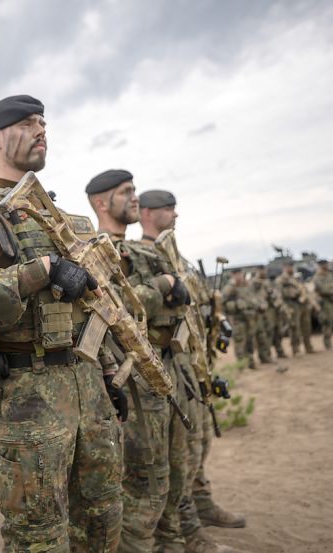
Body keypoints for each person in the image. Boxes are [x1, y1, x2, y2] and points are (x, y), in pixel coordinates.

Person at [0, 95, 123, 552]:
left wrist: (107, 373)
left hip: (89, 387)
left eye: (43, 122)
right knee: (37, 533)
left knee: (103, 516)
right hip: (30, 396)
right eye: (27, 123)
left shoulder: (63, 219)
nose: (41, 130)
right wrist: (37, 271)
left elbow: (92, 307)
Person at [86, 173, 241, 553]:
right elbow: (117, 309)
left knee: (173, 470)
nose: (134, 199)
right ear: (101, 203)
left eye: (136, 192)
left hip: (168, 366)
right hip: (133, 376)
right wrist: (164, 286)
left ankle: (176, 540)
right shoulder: (98, 250)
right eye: (126, 193)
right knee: (145, 480)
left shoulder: (146, 253)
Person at [222, 270, 262, 369]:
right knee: (240, 341)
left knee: (250, 341)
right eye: (236, 274)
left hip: (250, 318)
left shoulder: (247, 286)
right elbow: (223, 304)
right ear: (233, 275)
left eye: (240, 274)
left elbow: (254, 298)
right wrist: (236, 305)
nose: (239, 276)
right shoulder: (230, 288)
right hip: (238, 319)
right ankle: (241, 365)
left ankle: (251, 362)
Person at [276, 262, 315, 355]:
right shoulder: (281, 280)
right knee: (294, 328)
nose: (290, 268)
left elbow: (303, 289)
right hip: (291, 305)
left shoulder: (296, 278)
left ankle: (308, 347)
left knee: (306, 326)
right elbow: (280, 294)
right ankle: (296, 349)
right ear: (284, 267)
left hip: (302, 304)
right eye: (288, 266)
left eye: (291, 266)